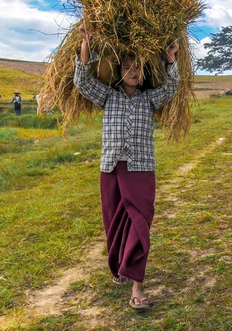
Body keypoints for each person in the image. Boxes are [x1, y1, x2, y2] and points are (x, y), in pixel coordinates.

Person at [74, 22, 179, 310]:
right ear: (119, 72)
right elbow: (82, 81)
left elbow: (172, 86)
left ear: (144, 73)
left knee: (140, 222)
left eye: (138, 67)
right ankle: (121, 265)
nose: (134, 71)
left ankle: (137, 285)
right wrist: (86, 44)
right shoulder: (108, 96)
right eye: (128, 66)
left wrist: (171, 59)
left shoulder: (149, 99)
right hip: (111, 167)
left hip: (142, 168)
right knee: (114, 220)